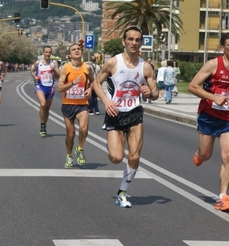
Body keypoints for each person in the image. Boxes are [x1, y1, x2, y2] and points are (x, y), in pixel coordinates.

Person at [92, 25, 159, 208]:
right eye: (130, 39)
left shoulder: (146, 67)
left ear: (141, 43)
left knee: (135, 156)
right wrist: (106, 101)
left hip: (135, 113)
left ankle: (122, 192)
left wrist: (149, 92)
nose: (134, 43)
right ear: (124, 41)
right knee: (116, 157)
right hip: (115, 113)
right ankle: (117, 149)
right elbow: (96, 84)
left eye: (137, 40)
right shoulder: (113, 63)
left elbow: (155, 93)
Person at [188, 32, 229, 212]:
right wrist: (213, 97)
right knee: (206, 155)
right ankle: (200, 154)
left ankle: (223, 198)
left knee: (228, 156)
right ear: (222, 48)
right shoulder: (212, 65)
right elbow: (192, 86)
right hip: (208, 116)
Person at [57, 43, 94, 168]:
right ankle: (69, 155)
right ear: (69, 54)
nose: (77, 51)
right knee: (71, 133)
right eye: (74, 49)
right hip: (68, 104)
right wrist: (73, 83)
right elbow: (60, 88)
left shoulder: (87, 68)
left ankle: (80, 148)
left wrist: (90, 89)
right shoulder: (65, 68)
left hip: (82, 104)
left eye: (78, 49)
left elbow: (94, 82)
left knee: (83, 128)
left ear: (81, 52)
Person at [30, 45, 60, 136]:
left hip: (50, 87)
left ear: (51, 53)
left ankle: (44, 125)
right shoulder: (38, 63)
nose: (48, 54)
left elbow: (59, 75)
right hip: (40, 86)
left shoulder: (54, 63)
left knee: (46, 108)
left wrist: (54, 69)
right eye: (46, 52)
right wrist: (35, 76)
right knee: (43, 104)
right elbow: (31, 71)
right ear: (43, 53)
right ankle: (42, 124)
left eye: (49, 52)